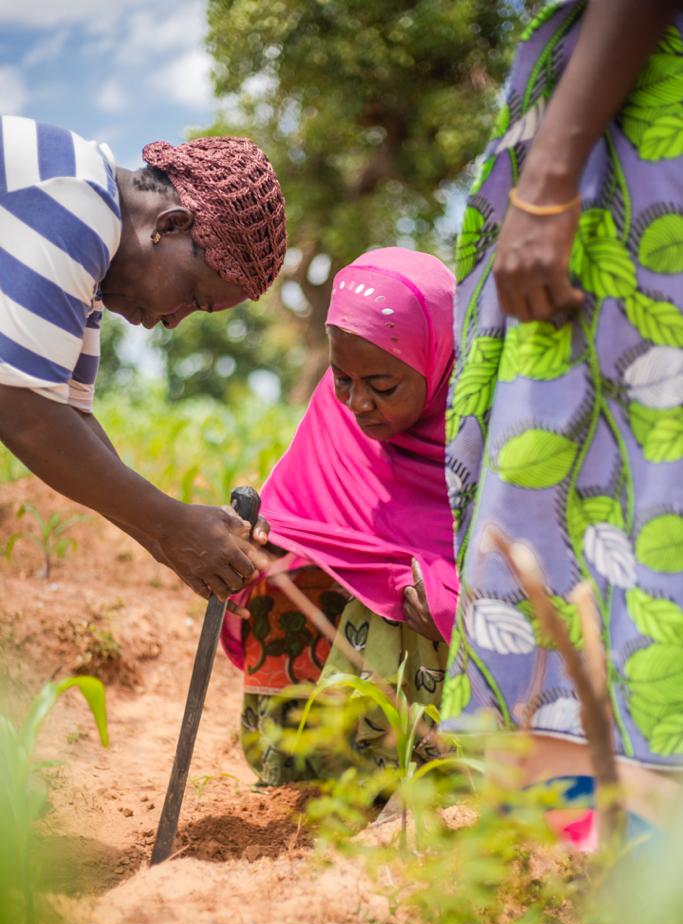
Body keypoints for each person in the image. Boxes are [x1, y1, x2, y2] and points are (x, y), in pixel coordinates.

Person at [442, 1, 683, 832]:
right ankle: (587, 846)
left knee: (628, 486)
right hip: (608, 147)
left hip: (631, 164)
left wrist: (546, 187)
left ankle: (614, 861)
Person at [0, 115, 286, 599]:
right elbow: (22, 410)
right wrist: (172, 526)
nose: (173, 321)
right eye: (194, 297)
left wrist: (165, 536)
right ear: (170, 226)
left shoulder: (95, 263)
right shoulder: (78, 202)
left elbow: (69, 415)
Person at [221, 247, 459, 784]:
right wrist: (261, 540)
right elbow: (294, 514)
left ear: (437, 359)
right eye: (343, 378)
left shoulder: (483, 433)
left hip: (447, 656)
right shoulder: (338, 414)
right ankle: (314, 765)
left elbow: (529, 564)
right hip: (338, 637)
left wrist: (451, 594)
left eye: (383, 386)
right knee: (277, 573)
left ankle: (430, 771)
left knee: (427, 596)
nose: (357, 403)